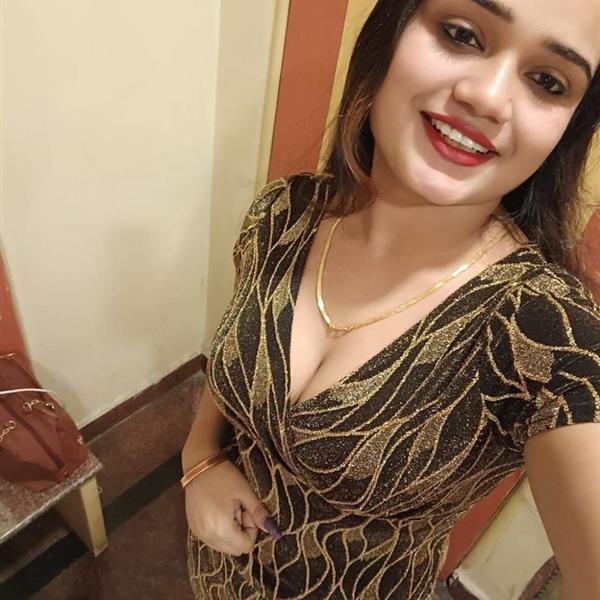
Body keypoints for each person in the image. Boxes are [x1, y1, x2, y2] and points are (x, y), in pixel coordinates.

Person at [182, 0, 600, 597]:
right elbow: (234, 350)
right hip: (215, 572)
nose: (488, 98)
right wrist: (199, 459)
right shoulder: (286, 212)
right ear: (391, 30)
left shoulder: (545, 332)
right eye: (462, 34)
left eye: (548, 81)